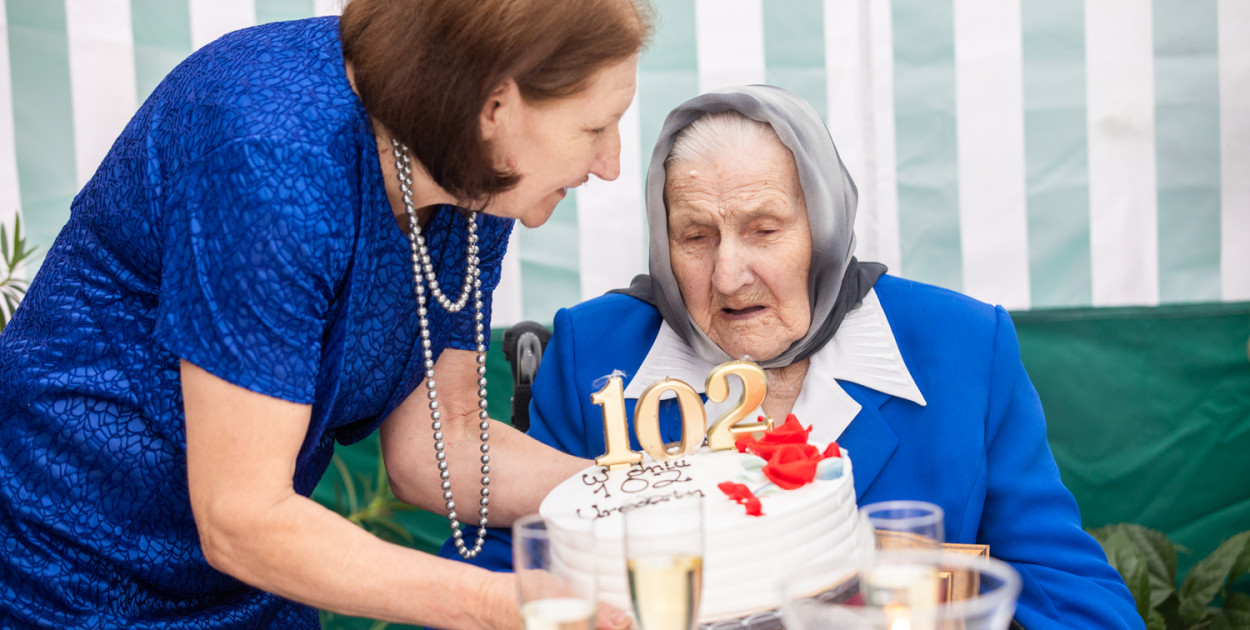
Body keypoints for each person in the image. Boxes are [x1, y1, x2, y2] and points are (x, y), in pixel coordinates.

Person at [0, 1, 652, 627]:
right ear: (495, 107)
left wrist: (658, 494)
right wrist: (496, 605)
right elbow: (242, 517)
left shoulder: (474, 175)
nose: (612, 163)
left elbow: (440, 449)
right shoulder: (271, 159)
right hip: (65, 572)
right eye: (595, 128)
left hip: (255, 578)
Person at [440, 85, 1145, 630]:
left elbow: (1082, 604)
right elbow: (497, 575)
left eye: (763, 229)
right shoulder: (596, 354)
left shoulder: (959, 347)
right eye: (695, 236)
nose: (727, 274)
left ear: (825, 226)